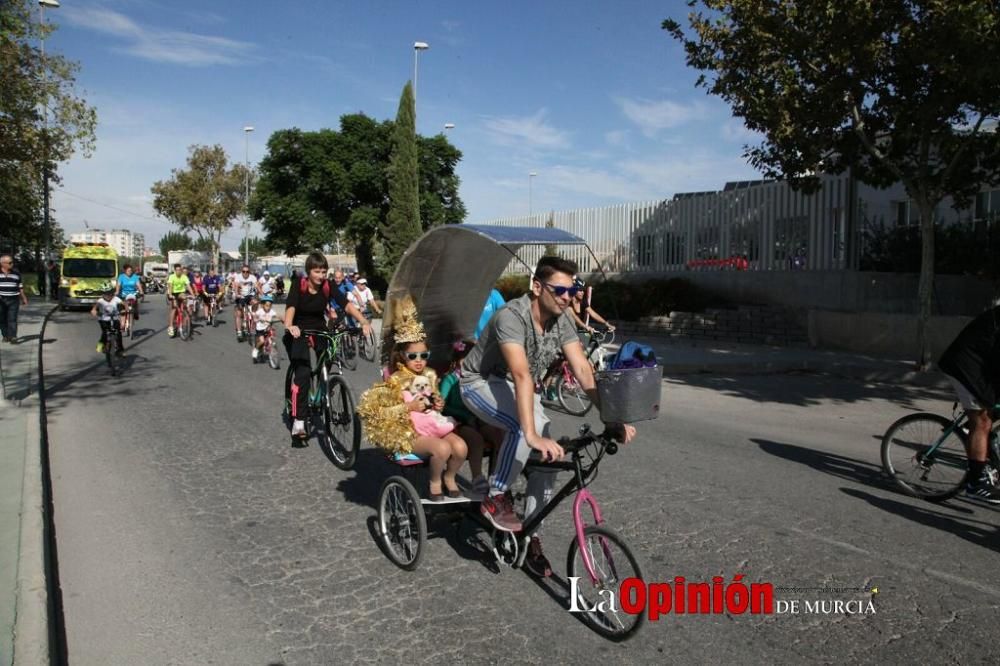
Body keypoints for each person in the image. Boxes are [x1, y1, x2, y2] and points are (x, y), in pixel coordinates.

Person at [459, 256, 636, 577]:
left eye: (573, 290)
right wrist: (531, 433)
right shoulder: (510, 316)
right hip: (480, 382)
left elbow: (583, 369)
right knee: (527, 428)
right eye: (560, 290)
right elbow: (522, 374)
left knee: (549, 458)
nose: (567, 297)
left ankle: (530, 535)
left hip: (516, 386)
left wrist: (610, 417)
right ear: (537, 287)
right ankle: (496, 496)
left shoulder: (563, 319)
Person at [358, 297, 470, 502]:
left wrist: (438, 404)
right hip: (409, 433)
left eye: (424, 355)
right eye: (413, 356)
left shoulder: (429, 375)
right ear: (402, 356)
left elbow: (435, 403)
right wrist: (409, 406)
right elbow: (376, 413)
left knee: (461, 447)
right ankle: (434, 483)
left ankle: (449, 477)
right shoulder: (394, 381)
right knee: (443, 448)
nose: (419, 361)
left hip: (433, 427)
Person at [283, 252, 371, 438]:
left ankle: (323, 392)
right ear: (309, 271)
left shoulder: (327, 285)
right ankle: (299, 420)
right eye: (317, 271)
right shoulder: (300, 284)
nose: (321, 275)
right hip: (298, 328)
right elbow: (290, 306)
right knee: (303, 371)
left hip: (318, 327)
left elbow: (346, 305)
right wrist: (290, 326)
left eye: (324, 271)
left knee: (329, 357)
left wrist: (363, 322)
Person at [938, 304, 1000, 503]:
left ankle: (975, 435)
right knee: (981, 421)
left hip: (983, 365)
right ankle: (975, 483)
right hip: (965, 366)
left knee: (989, 415)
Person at [439, 338, 502, 499]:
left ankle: (495, 476)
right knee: (476, 440)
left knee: (498, 435)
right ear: (457, 360)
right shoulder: (450, 379)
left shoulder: (479, 378)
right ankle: (477, 478)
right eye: (465, 358)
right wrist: (465, 416)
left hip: (478, 418)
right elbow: (442, 406)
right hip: (459, 421)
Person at [0, 255, 28, 344]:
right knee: (2, 319)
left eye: (12, 262)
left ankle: (13, 337)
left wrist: (24, 298)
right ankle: (5, 336)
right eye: (9, 263)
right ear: (2, 264)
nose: (12, 264)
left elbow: (20, 287)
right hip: (1, 300)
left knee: (12, 319)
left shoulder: (16, 273)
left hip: (14, 299)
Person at [91, 286, 124, 355]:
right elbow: (95, 308)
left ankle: (120, 349)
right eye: (105, 294)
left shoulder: (116, 299)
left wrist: (126, 309)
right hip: (103, 319)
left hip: (115, 318)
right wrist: (94, 311)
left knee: (118, 333)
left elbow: (123, 304)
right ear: (103, 294)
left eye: (109, 293)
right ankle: (100, 344)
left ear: (112, 293)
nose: (108, 296)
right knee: (105, 332)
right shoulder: (100, 301)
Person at [166, 263, 194, 337]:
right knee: (174, 307)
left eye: (180, 270)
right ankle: (171, 326)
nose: (179, 271)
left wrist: (193, 295)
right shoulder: (172, 277)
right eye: (177, 270)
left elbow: (188, 286)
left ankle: (183, 313)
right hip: (173, 293)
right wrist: (170, 294)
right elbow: (170, 286)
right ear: (175, 270)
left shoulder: (184, 277)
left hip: (181, 292)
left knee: (185, 298)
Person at [233, 265, 259, 340]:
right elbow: (236, 286)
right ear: (242, 271)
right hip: (240, 296)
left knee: (256, 302)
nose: (245, 273)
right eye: (243, 271)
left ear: (249, 272)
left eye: (247, 271)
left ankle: (253, 314)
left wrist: (262, 293)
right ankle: (239, 332)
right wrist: (237, 294)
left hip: (249, 296)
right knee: (239, 313)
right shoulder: (238, 277)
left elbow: (257, 286)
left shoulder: (252, 277)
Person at [251, 294, 278, 362]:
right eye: (267, 305)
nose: (268, 307)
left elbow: (276, 316)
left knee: (272, 335)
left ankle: (271, 346)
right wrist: (257, 319)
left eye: (270, 305)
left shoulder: (271, 311)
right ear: (263, 305)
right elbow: (255, 316)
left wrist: (282, 319)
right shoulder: (260, 311)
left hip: (268, 328)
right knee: (262, 341)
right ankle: (256, 350)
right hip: (260, 329)